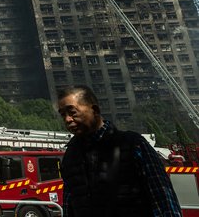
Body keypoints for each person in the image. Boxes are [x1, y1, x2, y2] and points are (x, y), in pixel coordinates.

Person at [57, 85, 182, 217]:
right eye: (63, 115)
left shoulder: (133, 144)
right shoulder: (70, 156)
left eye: (72, 112)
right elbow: (69, 205)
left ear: (95, 110)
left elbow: (164, 201)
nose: (67, 120)